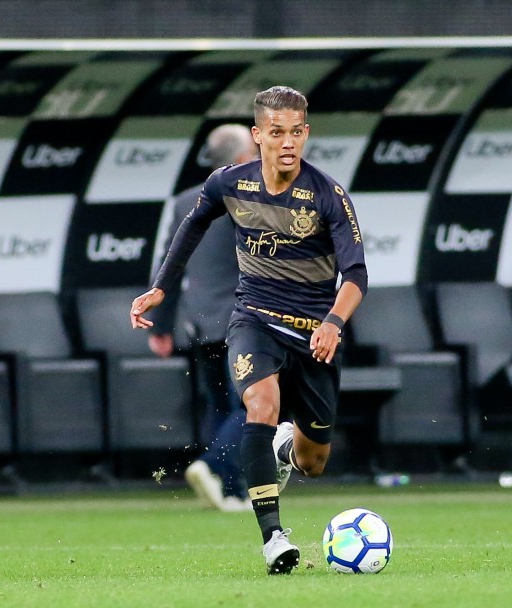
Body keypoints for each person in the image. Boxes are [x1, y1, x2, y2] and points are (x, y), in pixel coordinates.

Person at [130, 85, 367, 575]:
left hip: (314, 333)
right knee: (259, 405)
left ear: (306, 134)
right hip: (254, 319)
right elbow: (190, 228)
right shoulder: (228, 183)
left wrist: (333, 322)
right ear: (258, 135)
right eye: (276, 132)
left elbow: (357, 275)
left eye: (296, 132)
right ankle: (273, 537)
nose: (287, 142)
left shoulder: (327, 195)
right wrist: (159, 289)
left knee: (313, 460)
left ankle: (285, 446)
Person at [147, 124, 258, 513]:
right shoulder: (246, 199)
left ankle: (230, 491)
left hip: (200, 322)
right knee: (254, 404)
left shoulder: (184, 201)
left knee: (220, 406)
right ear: (243, 160)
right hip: (241, 320)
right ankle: (213, 468)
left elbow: (169, 266)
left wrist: (161, 326)